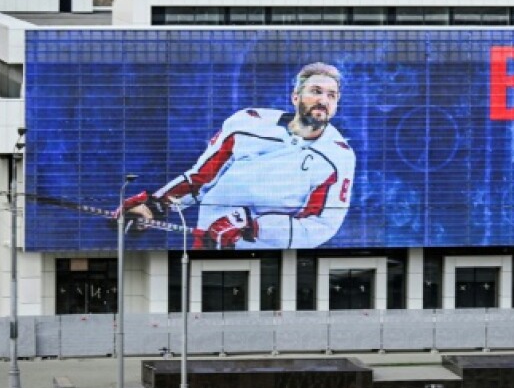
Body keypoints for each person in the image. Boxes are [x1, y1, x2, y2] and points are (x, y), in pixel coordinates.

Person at [124, 62, 355, 250]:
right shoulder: (247, 123)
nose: (323, 101)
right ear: (295, 97)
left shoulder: (337, 157)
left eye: (331, 96)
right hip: (209, 244)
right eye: (316, 92)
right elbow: (201, 178)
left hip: (270, 256)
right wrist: (154, 206)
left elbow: (322, 224)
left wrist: (254, 227)